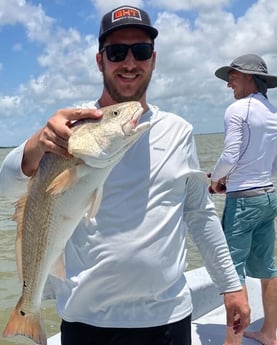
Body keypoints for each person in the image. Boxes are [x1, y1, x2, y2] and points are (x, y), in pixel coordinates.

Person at [0, 5, 250, 345]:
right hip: (86, 321)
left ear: (154, 59)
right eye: (117, 52)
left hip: (168, 320)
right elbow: (7, 186)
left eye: (141, 51)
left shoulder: (179, 131)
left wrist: (231, 285)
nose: (130, 63)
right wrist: (34, 145)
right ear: (100, 60)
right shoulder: (68, 128)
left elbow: (200, 215)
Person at [210, 54, 277, 345]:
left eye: (232, 77)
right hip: (269, 197)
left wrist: (215, 181)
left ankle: (232, 342)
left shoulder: (237, 110)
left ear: (250, 77)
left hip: (243, 202)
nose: (228, 84)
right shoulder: (273, 112)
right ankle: (269, 333)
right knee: (267, 268)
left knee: (232, 271)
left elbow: (229, 156)